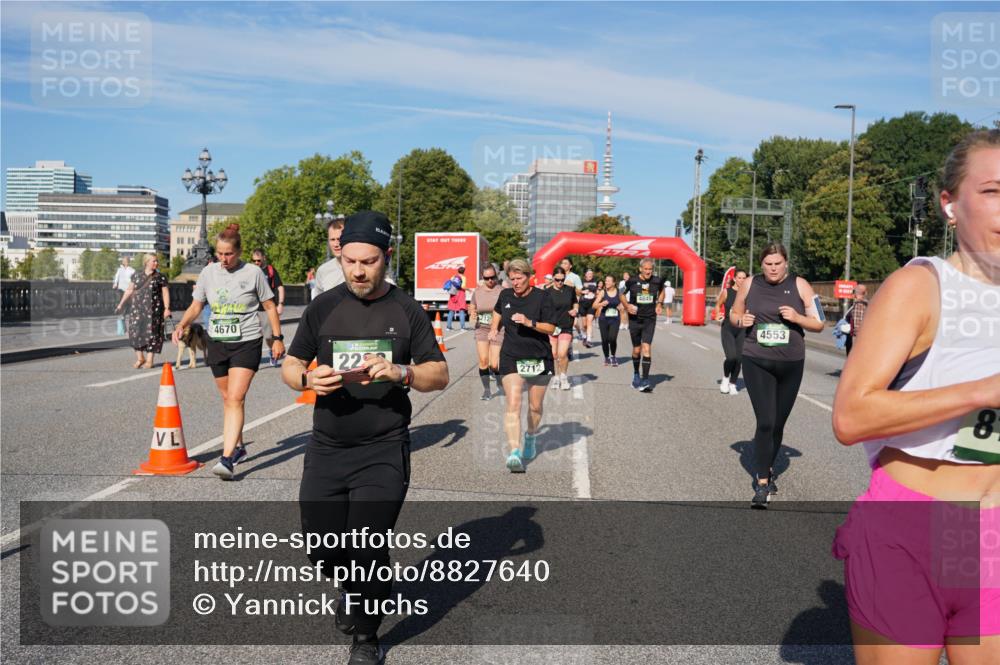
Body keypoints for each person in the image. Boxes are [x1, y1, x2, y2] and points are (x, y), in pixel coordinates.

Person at [831, 129, 1000, 661]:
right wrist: (983, 391)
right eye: (993, 191)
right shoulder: (922, 286)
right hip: (911, 529)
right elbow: (852, 415)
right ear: (950, 204)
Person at [281, 211, 448, 665]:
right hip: (328, 447)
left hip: (383, 448)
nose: (358, 270)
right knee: (322, 547)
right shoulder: (323, 307)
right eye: (350, 260)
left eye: (368, 261)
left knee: (368, 542)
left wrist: (404, 372)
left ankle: (367, 638)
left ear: (386, 258)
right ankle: (363, 585)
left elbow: (440, 374)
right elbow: (290, 364)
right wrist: (307, 380)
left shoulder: (406, 309)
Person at [172, 224, 285, 480]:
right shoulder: (209, 272)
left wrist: (277, 338)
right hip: (218, 342)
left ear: (239, 251)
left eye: (228, 254)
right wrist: (182, 324)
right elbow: (197, 304)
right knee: (227, 398)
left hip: (247, 340)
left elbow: (269, 306)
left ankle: (227, 459)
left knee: (235, 398)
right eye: (220, 254)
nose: (223, 259)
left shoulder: (253, 272)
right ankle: (240, 447)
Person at [729, 243, 824, 508]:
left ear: (786, 264)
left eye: (777, 263)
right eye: (768, 264)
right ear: (761, 265)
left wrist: (797, 317)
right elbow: (733, 313)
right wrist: (741, 321)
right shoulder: (749, 284)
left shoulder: (801, 285)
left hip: (791, 362)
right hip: (756, 359)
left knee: (779, 423)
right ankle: (761, 483)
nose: (773, 268)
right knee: (766, 422)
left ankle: (768, 468)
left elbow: (819, 323)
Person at [489, 259, 557, 472]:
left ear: (529, 277)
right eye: (512, 279)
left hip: (539, 357)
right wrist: (493, 328)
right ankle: (514, 452)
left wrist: (529, 322)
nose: (515, 282)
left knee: (535, 406)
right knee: (514, 402)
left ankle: (530, 435)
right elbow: (498, 311)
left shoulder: (542, 297)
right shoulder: (505, 295)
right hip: (511, 355)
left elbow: (551, 328)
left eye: (519, 278)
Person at [115, 254, 170, 369]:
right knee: (134, 333)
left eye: (157, 261)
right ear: (146, 262)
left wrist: (167, 308)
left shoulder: (160, 277)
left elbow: (165, 293)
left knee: (153, 335)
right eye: (154, 261)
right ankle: (140, 358)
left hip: (155, 310)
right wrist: (121, 304)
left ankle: (149, 360)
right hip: (137, 309)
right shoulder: (136, 275)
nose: (156, 263)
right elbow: (129, 290)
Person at [622, 258, 666, 392]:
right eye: (645, 269)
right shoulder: (632, 281)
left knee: (646, 348)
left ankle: (645, 380)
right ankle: (636, 374)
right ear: (640, 269)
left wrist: (659, 303)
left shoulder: (657, 280)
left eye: (650, 269)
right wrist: (627, 305)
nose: (648, 272)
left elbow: (662, 290)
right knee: (636, 350)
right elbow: (621, 294)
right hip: (635, 319)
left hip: (649, 319)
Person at [467, 263, 504, 400]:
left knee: (494, 364)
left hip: (498, 329)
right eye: (486, 278)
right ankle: (487, 390)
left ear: (496, 276)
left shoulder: (502, 291)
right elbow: (472, 307)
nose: (490, 281)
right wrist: (472, 312)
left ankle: (500, 380)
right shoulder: (477, 292)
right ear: (482, 277)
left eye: (492, 277)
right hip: (481, 328)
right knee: (483, 361)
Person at [716, 269, 748, 394]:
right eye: (739, 278)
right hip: (728, 327)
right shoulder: (727, 292)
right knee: (731, 357)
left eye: (744, 278)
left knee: (739, 358)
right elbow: (718, 305)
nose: (742, 280)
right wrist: (718, 314)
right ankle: (725, 378)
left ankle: (733, 384)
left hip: (742, 328)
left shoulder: (748, 293)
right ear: (734, 279)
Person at [546, 267, 578, 390]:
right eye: (557, 280)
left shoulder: (570, 290)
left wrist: (575, 309)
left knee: (562, 353)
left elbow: (575, 302)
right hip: (552, 326)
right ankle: (556, 377)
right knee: (554, 354)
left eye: (562, 280)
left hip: (566, 325)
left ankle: (563, 377)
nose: (559, 282)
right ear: (553, 278)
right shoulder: (547, 292)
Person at [252, 249, 285, 366]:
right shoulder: (251, 271)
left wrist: (280, 304)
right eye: (254, 261)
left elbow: (280, 287)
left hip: (267, 309)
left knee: (268, 336)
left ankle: (273, 350)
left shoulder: (270, 270)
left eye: (258, 260)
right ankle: (252, 358)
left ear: (264, 258)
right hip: (253, 309)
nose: (256, 263)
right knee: (253, 336)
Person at [594, 274, 626, 366]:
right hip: (603, 319)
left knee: (612, 338)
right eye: (606, 280)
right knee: (604, 340)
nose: (606, 282)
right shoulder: (603, 292)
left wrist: (622, 307)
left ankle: (613, 356)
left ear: (613, 283)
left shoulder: (619, 293)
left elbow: (625, 304)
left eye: (608, 281)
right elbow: (594, 305)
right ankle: (606, 357)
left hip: (615, 319)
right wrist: (601, 304)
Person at [315, 217, 346, 294]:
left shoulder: (361, 268)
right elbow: (319, 303)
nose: (336, 244)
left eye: (339, 239)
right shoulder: (323, 271)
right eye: (332, 239)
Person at [844, 283, 869, 356]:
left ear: (855, 294)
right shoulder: (865, 304)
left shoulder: (859, 305)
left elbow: (857, 325)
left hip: (856, 338)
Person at [579, 268, 599, 346]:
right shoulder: (581, 281)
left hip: (592, 304)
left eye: (591, 273)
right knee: (584, 324)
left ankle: (589, 339)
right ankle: (584, 336)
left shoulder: (596, 282)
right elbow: (577, 291)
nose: (590, 275)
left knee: (589, 321)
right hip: (583, 304)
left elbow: (598, 291)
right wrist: (582, 291)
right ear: (585, 275)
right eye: (589, 273)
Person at [446, 265, 468, 330]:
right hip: (460, 293)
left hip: (453, 294)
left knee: (451, 310)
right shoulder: (463, 277)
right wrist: (469, 289)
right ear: (464, 272)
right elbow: (463, 286)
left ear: (458, 271)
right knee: (461, 310)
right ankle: (462, 327)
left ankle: (448, 327)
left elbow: (450, 284)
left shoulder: (453, 277)